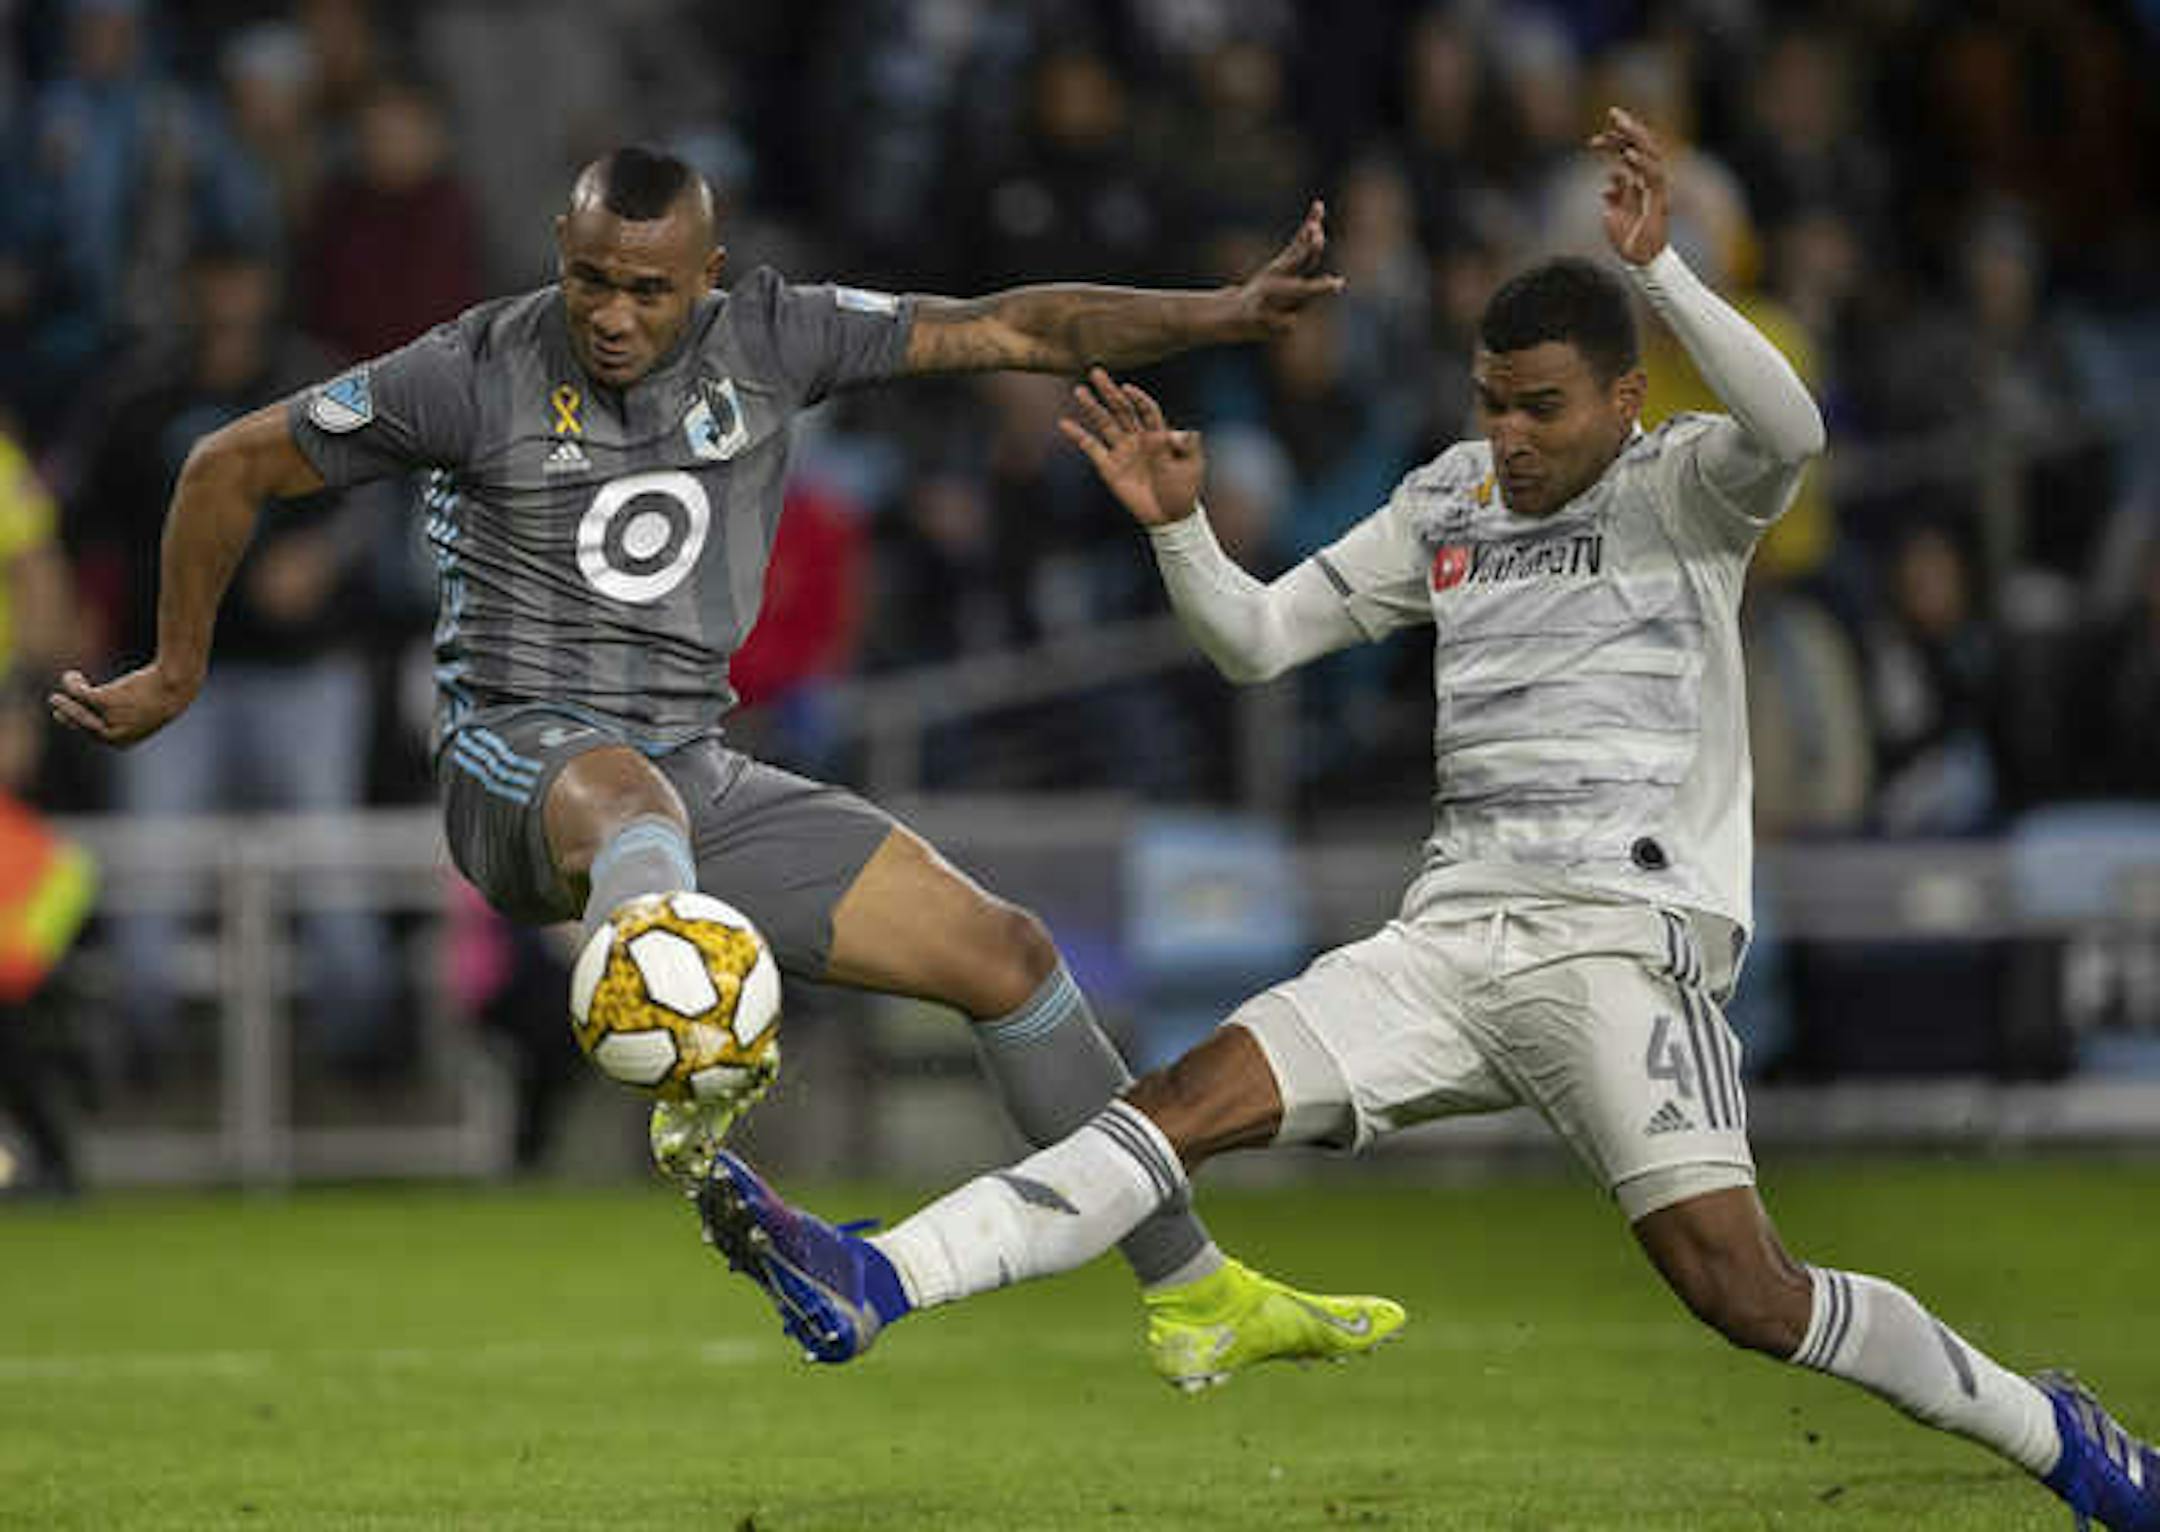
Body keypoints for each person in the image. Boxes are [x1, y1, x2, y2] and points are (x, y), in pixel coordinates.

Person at [696, 111, 2160, 1530]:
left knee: (1747, 1293)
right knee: (1174, 1104)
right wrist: (1178, 531)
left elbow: (1796, 420)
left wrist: (1661, 275)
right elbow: (1258, 645)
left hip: (1619, 950)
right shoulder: (1450, 502)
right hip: (1448, 942)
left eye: (1543, 406)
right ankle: (874, 1279)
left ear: (1625, 398)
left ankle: (2051, 1434)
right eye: (1491, 401)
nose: (1511, 435)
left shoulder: (1689, 491)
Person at [49, 145, 1402, 1387]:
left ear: (710, 274)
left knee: (1005, 955)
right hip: (513, 764)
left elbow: (1019, 324)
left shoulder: (775, 334)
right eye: (589, 279)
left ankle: (1191, 1288)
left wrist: (1218, 314)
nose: (614, 314)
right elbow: (227, 466)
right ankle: (692, 1069)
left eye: (648, 288)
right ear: (557, 254)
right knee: (631, 800)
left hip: (692, 776)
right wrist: (177, 670)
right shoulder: (465, 371)